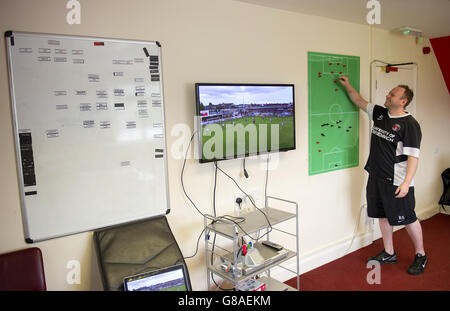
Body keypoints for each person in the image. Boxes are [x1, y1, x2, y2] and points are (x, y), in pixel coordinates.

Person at [338, 76, 428, 275]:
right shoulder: (380, 114)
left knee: (408, 218)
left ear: (403, 101)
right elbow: (359, 101)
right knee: (382, 215)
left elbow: (413, 157)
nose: (388, 95)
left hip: (397, 181)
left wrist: (406, 184)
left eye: (393, 94)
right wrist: (347, 85)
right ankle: (389, 252)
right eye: (389, 93)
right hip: (376, 176)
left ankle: (421, 254)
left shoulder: (410, 124)